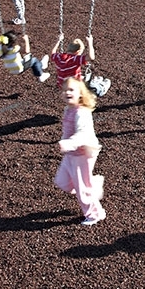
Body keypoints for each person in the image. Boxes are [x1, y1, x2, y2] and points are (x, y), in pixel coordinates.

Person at [53, 76, 107, 225]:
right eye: (64, 90)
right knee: (62, 182)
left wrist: (69, 143)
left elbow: (83, 134)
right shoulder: (68, 109)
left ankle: (95, 214)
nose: (66, 93)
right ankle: (93, 186)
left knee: (82, 188)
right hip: (71, 153)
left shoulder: (81, 112)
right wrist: (66, 144)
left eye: (71, 90)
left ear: (81, 93)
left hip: (82, 154)